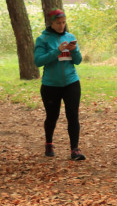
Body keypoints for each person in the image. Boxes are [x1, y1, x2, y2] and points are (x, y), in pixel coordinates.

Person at [34, 9, 86, 160]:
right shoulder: (42, 39)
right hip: (51, 85)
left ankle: (74, 150)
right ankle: (49, 143)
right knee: (52, 116)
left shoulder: (70, 37)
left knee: (73, 115)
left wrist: (74, 50)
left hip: (71, 82)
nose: (61, 26)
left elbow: (78, 61)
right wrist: (57, 51)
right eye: (58, 23)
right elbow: (38, 61)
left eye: (63, 22)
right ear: (51, 22)